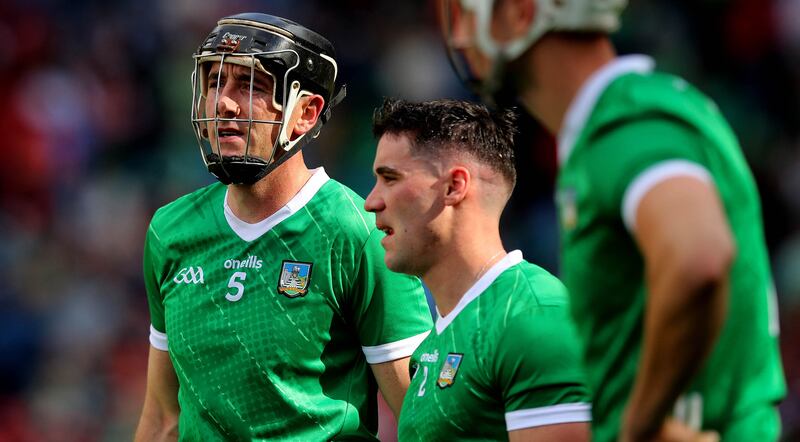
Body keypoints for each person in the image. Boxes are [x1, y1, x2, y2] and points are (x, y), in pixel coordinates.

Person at [437, 0, 786, 441]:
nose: (460, 34)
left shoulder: (626, 121)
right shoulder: (628, 114)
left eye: (470, 12)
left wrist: (640, 422)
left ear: (523, 13)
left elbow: (699, 257)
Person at [134, 13, 433, 441]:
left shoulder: (358, 232)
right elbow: (163, 418)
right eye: (215, 82)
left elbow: (420, 418)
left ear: (306, 113)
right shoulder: (170, 230)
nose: (223, 104)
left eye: (250, 86)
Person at [364, 98, 591, 441]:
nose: (371, 201)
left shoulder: (532, 316)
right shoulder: (431, 347)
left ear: (454, 187)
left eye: (390, 178)